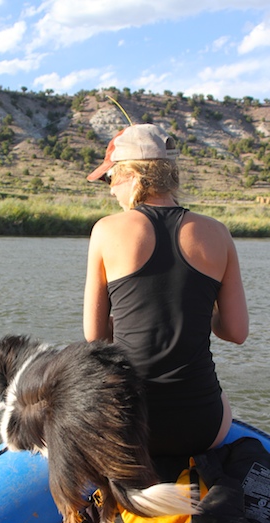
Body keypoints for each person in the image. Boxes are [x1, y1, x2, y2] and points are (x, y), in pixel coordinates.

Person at [83, 123, 249, 456]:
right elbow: (236, 332)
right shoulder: (218, 233)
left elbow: (95, 337)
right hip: (204, 426)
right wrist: (199, 312)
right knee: (218, 399)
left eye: (110, 179)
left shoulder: (106, 230)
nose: (111, 191)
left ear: (132, 175)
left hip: (133, 426)